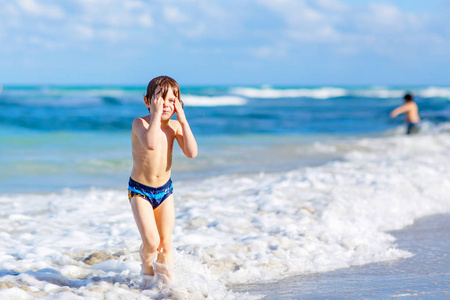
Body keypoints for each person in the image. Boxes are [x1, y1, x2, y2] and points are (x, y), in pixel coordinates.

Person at [128, 76, 198, 285]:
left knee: (165, 243)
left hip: (165, 191)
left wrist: (183, 121)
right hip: (140, 191)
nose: (166, 105)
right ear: (147, 101)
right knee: (151, 242)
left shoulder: (175, 126)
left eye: (172, 100)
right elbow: (150, 143)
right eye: (160, 99)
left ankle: (167, 286)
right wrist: (156, 115)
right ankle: (147, 276)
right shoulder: (140, 123)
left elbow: (191, 152)